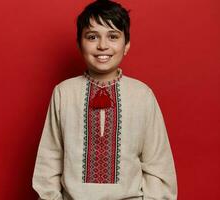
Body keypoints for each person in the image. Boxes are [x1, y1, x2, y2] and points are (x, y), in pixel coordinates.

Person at [32, 0, 178, 199]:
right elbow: (48, 162)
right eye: (92, 37)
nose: (102, 45)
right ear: (79, 44)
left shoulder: (142, 95)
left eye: (113, 36)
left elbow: (158, 166)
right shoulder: (64, 93)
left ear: (126, 45)